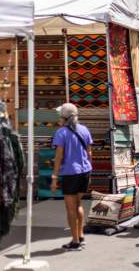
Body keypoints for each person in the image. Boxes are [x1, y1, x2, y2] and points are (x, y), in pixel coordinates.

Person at [51, 103, 93, 252]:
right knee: (78, 204)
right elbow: (89, 153)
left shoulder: (61, 133)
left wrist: (55, 177)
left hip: (70, 172)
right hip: (85, 171)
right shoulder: (84, 130)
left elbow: (58, 156)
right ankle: (80, 235)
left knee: (70, 208)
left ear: (64, 117)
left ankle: (75, 241)